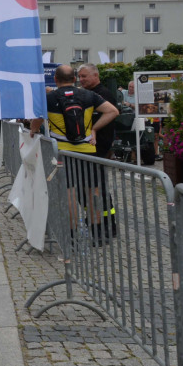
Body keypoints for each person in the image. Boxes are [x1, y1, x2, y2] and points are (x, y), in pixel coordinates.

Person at [30, 65, 118, 244]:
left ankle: (72, 236)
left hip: (63, 152)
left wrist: (34, 129)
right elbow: (113, 111)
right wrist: (94, 128)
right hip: (87, 151)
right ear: (75, 78)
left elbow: (36, 122)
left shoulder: (49, 97)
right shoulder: (89, 95)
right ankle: (98, 234)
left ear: (55, 79)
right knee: (93, 190)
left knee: (69, 193)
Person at [77, 64, 118, 160]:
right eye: (79, 76)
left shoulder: (103, 93)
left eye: (84, 76)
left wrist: (94, 129)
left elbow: (112, 113)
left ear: (95, 75)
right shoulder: (87, 92)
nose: (81, 79)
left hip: (98, 142)